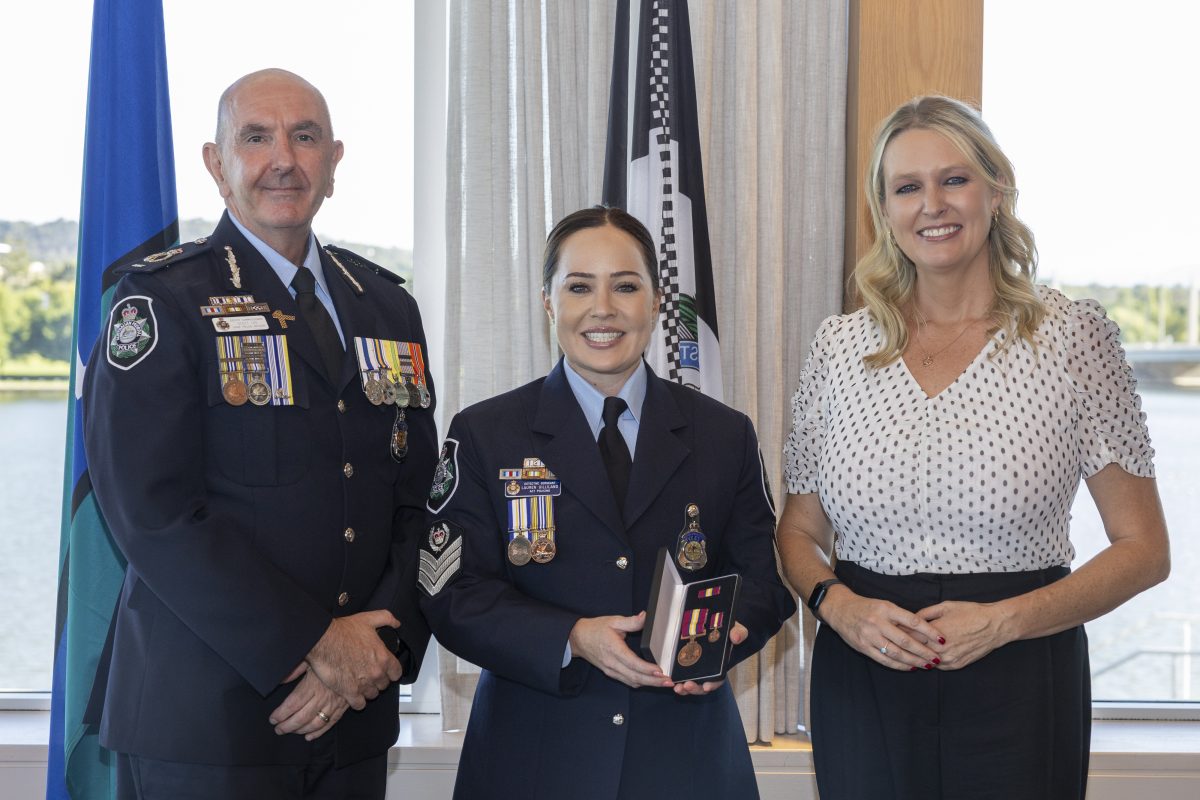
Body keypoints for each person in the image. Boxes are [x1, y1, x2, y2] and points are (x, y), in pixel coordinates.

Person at [777, 94, 1171, 799]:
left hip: (1020, 674)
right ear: (885, 211)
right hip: (864, 673)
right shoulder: (838, 348)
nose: (933, 203)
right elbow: (798, 532)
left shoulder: (1071, 339)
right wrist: (836, 605)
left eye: (953, 179)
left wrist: (1003, 622)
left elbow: (1145, 550)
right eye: (907, 187)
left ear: (996, 191)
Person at [82, 68, 437, 799]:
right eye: (256, 137)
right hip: (204, 726)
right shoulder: (160, 301)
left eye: (305, 137)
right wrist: (315, 644)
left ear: (333, 163)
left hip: (354, 716)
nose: (284, 158)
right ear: (217, 165)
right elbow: (152, 512)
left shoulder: (387, 309)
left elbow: (419, 506)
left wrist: (375, 653)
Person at [418, 205, 796, 800]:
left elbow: (765, 581)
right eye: (578, 287)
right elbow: (452, 595)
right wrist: (570, 636)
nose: (603, 309)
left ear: (656, 301)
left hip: (684, 754)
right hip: (536, 754)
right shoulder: (487, 432)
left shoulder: (723, 434)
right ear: (549, 302)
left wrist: (720, 636)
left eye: (625, 286)